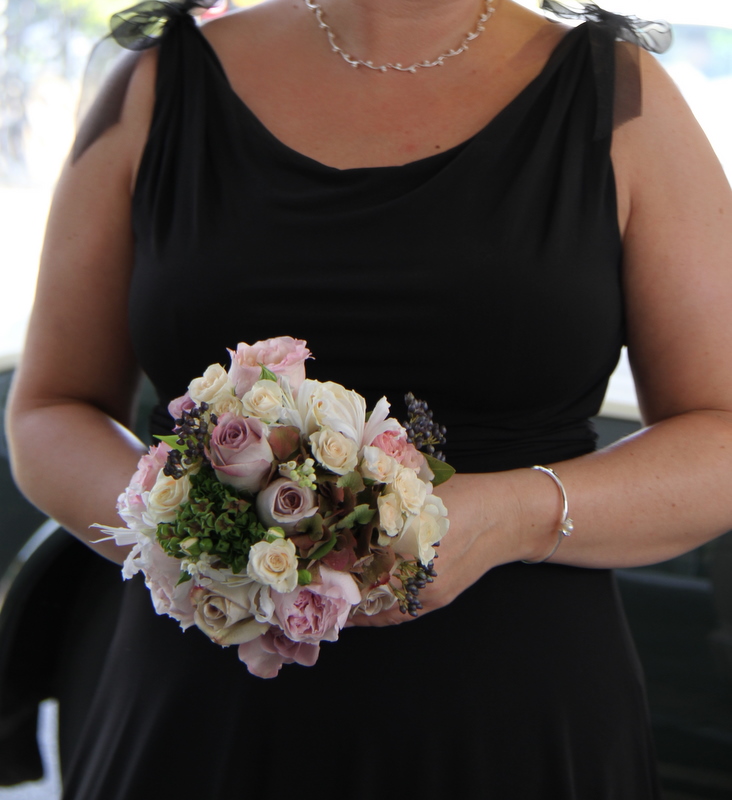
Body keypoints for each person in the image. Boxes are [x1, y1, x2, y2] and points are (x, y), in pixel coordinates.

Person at [5, 0, 732, 796]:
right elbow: (49, 408)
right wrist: (196, 545)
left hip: (514, 719)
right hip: (198, 713)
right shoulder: (152, 83)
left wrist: (514, 514)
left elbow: (720, 436)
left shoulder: (623, 97)